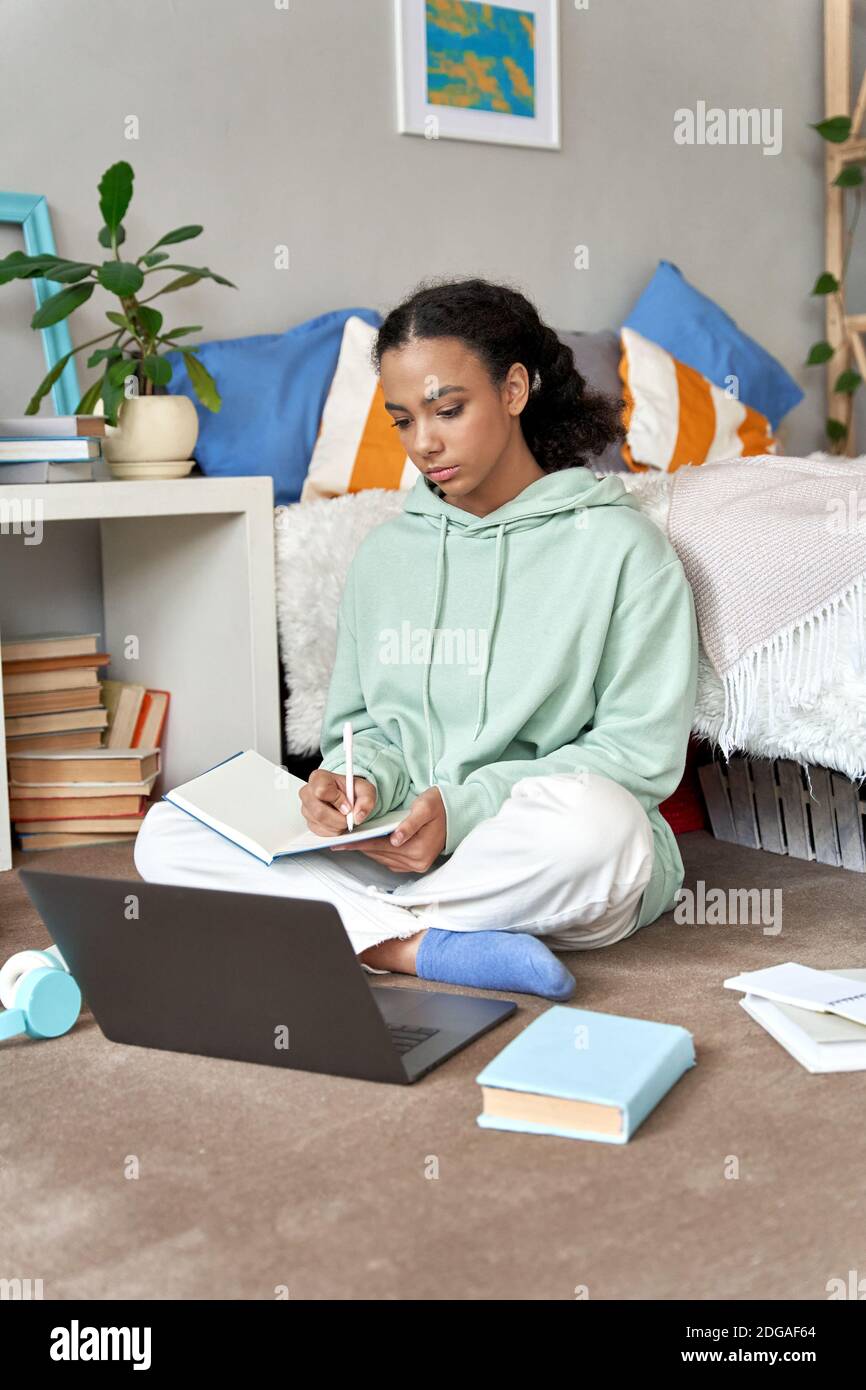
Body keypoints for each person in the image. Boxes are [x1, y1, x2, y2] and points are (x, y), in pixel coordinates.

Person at [134, 276, 698, 1001]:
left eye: (448, 410)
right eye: (403, 420)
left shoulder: (621, 548)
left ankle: (357, 932)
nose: (424, 444)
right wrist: (355, 783)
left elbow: (636, 759)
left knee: (604, 829)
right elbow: (362, 728)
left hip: (529, 851)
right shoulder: (386, 554)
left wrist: (460, 811)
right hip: (398, 849)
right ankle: (418, 945)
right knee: (171, 831)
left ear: (515, 389)